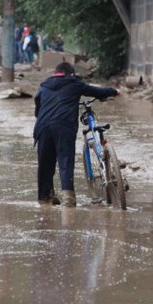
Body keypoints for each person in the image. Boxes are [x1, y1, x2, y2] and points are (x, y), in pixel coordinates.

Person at [34, 62, 118, 207]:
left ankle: (44, 197)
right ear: (70, 74)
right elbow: (97, 92)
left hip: (43, 127)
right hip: (64, 126)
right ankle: (68, 199)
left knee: (45, 163)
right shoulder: (74, 84)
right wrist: (114, 91)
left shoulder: (43, 87)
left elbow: (37, 110)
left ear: (56, 72)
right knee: (65, 160)